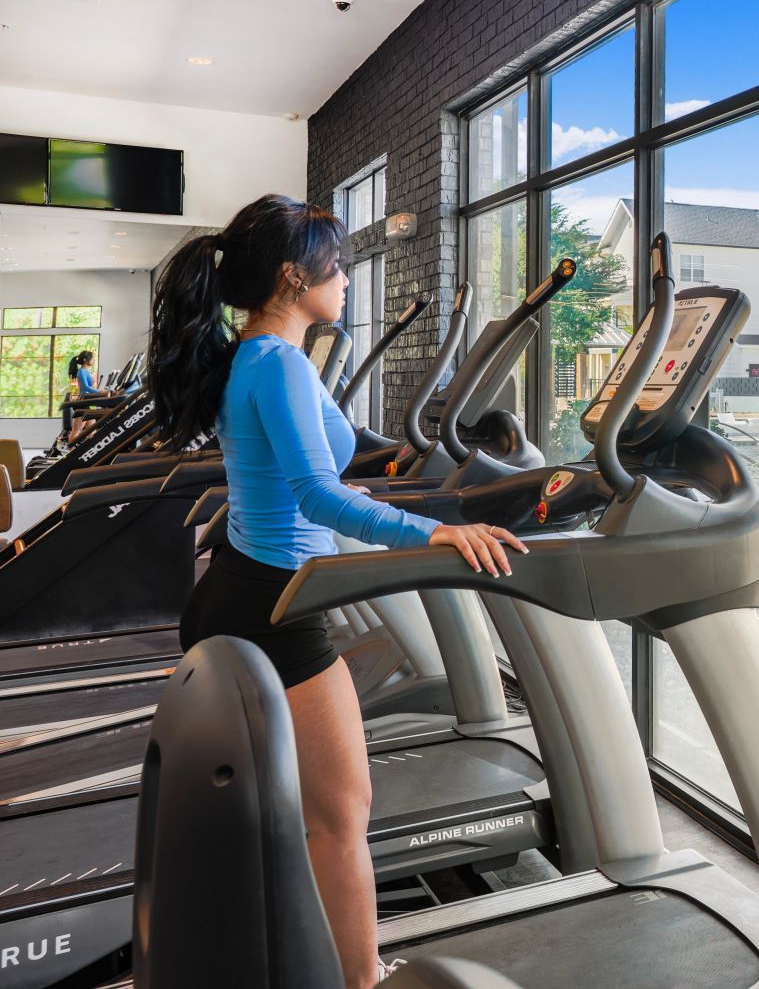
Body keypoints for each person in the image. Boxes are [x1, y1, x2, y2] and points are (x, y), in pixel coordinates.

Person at [147, 193, 524, 989]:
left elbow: (305, 466)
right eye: (336, 265)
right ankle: (362, 980)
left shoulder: (256, 354)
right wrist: (438, 533)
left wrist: (388, 477)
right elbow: (317, 496)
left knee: (306, 806)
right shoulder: (278, 363)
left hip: (244, 584)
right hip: (280, 607)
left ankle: (293, 941)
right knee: (343, 811)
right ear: (293, 275)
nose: (346, 280)